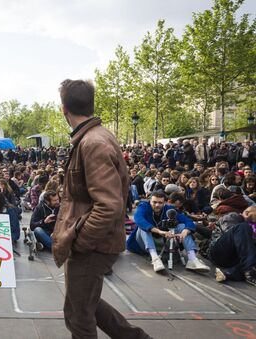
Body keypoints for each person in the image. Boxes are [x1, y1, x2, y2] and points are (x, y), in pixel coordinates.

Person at [51, 79, 149, 339]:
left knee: (78, 315)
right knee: (84, 304)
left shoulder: (92, 143)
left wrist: (80, 241)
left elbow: (108, 206)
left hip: (93, 243)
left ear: (64, 109)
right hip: (95, 239)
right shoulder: (94, 137)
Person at [128, 191, 210, 273]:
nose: (157, 205)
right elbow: (139, 219)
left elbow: (188, 221)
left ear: (165, 203)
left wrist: (186, 231)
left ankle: (192, 259)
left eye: (160, 203)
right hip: (145, 242)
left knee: (182, 226)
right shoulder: (143, 206)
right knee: (143, 227)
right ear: (150, 201)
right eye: (154, 202)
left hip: (163, 242)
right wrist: (159, 231)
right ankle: (155, 259)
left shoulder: (169, 209)